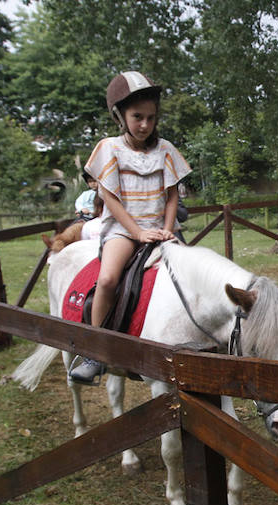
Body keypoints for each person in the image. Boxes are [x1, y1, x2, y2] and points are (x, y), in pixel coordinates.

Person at [69, 71, 191, 384]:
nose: (145, 125)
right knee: (108, 279)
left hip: (159, 227)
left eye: (151, 118)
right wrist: (137, 233)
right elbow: (108, 196)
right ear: (120, 116)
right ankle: (94, 351)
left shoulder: (165, 149)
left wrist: (167, 228)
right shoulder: (109, 148)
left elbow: (172, 194)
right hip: (124, 231)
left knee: (190, 278)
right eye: (137, 117)